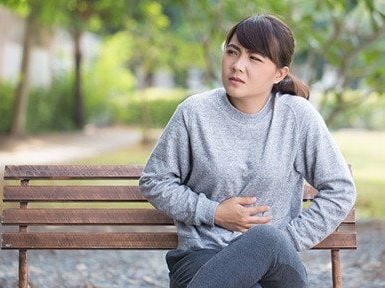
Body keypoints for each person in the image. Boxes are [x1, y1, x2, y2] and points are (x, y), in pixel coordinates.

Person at [139, 14, 356, 288]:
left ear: (280, 74)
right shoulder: (195, 113)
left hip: (276, 269)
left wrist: (285, 241)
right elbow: (155, 181)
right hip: (200, 259)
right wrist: (214, 212)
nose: (238, 66)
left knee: (265, 238)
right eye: (232, 52)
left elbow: (340, 190)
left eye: (254, 58)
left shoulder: (297, 117)